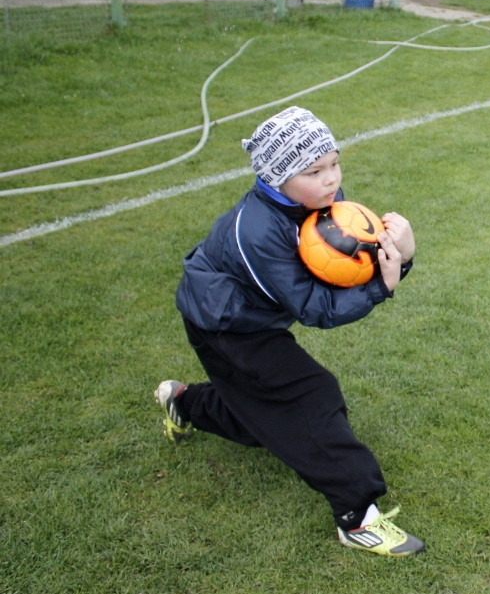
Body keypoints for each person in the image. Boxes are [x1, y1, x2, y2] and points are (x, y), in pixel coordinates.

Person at [157, 105, 425, 558]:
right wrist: (383, 285)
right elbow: (316, 307)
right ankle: (356, 517)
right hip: (226, 325)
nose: (331, 179)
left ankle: (183, 402)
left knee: (263, 414)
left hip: (247, 317)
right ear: (276, 176)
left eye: (334, 163)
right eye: (314, 170)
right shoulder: (257, 232)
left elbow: (343, 266)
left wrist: (404, 252)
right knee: (311, 396)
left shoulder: (320, 202)